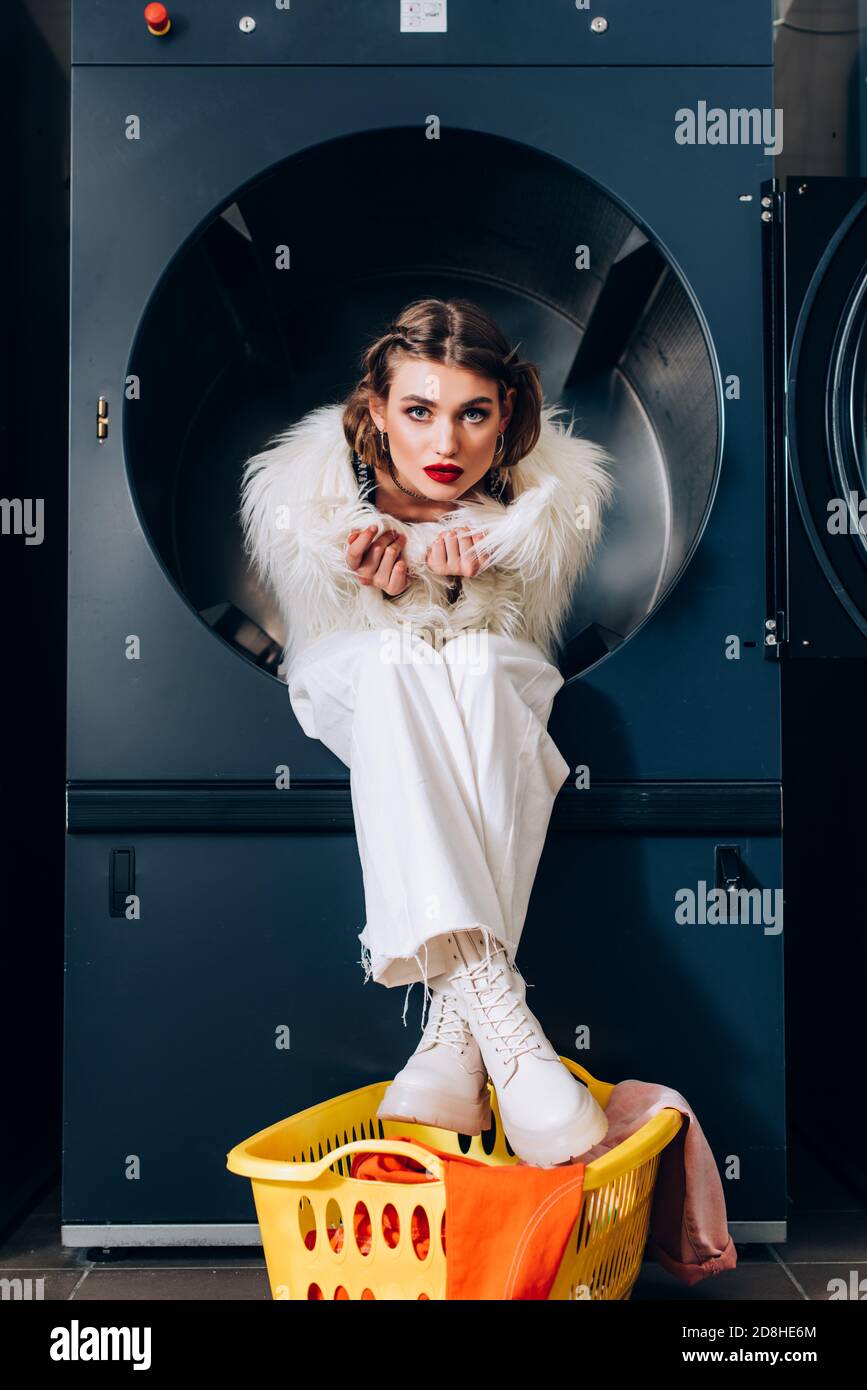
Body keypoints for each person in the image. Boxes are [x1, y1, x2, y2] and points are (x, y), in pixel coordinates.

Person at [238, 297, 616, 1167]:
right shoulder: (310, 498)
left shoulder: (542, 508)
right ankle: (501, 1018)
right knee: (391, 660)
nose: (445, 442)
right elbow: (317, 632)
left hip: (483, 690)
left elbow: (520, 640)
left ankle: (452, 1048)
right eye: (418, 411)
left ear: (506, 412)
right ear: (376, 410)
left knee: (483, 665)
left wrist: (457, 591)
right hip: (356, 673)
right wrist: (378, 595)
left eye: (472, 413)